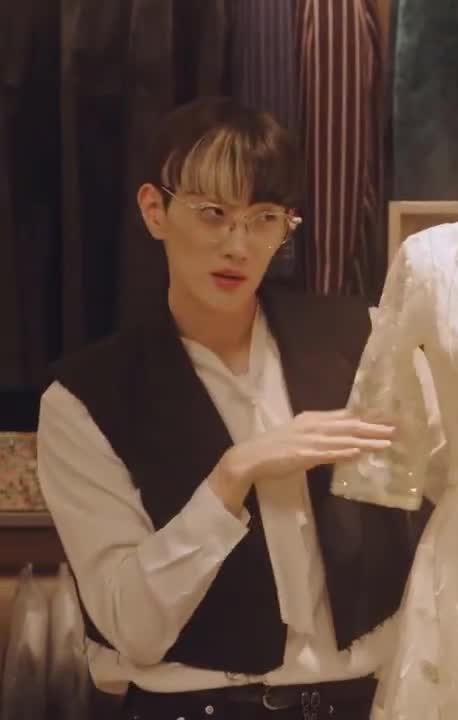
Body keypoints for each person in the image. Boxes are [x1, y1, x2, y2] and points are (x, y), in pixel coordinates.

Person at [36, 97, 419, 719]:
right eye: (213, 214)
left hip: (364, 701)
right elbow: (131, 629)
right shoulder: (85, 400)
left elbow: (435, 513)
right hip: (195, 708)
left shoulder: (362, 340)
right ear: (154, 210)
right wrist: (231, 476)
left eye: (264, 218)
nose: (238, 245)